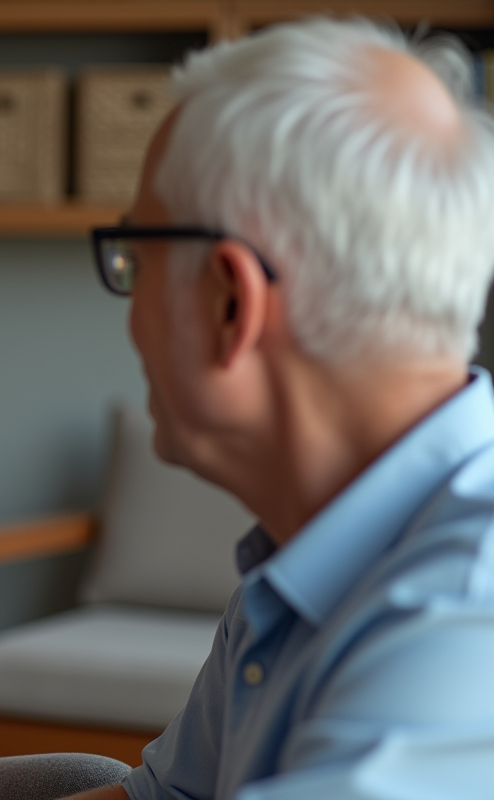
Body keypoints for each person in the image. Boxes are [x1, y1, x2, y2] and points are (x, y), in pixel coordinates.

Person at [70, 16, 494, 800]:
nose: (129, 313)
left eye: (136, 261)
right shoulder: (303, 557)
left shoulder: (469, 610)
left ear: (232, 303)